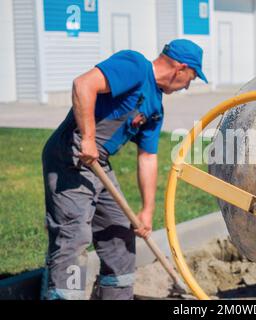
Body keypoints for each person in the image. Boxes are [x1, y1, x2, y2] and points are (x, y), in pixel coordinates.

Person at [41, 39, 208, 300]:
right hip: (71, 153)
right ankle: (63, 294)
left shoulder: (156, 107)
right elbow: (83, 84)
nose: (188, 85)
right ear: (180, 68)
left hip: (98, 162)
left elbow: (148, 158)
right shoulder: (134, 65)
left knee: (120, 232)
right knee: (74, 234)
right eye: (192, 77)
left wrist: (147, 211)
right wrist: (87, 137)